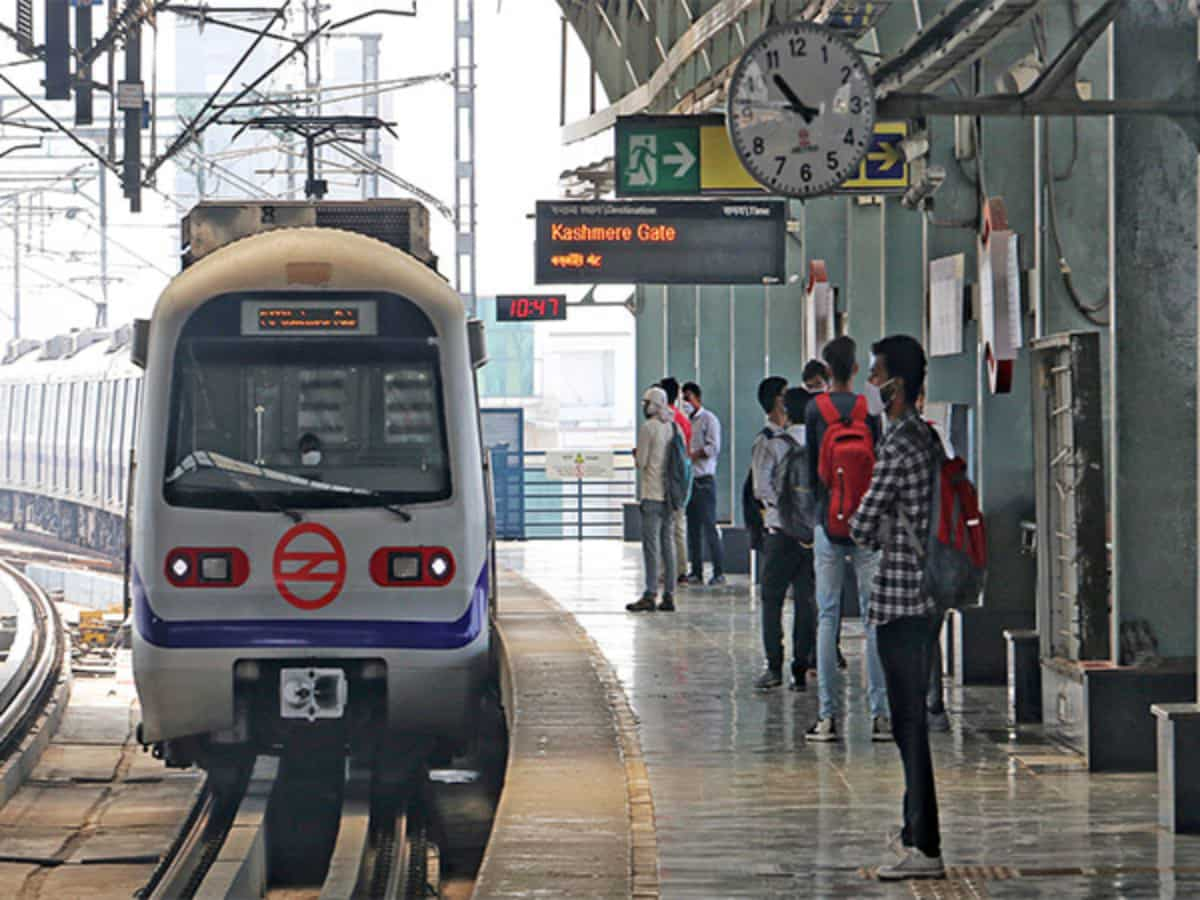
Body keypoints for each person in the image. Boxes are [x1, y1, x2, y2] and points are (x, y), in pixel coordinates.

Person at [850, 334, 945, 880]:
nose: (871, 384)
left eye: (877, 374)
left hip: (900, 600)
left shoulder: (900, 444)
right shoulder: (927, 439)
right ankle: (913, 830)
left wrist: (878, 523)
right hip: (926, 596)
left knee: (909, 724)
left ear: (898, 385)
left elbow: (863, 525)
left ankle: (926, 848)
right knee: (911, 721)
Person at [805, 335, 890, 743]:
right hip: (868, 525)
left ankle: (827, 717)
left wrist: (815, 520)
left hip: (828, 522)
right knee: (874, 619)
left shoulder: (813, 409)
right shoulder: (869, 409)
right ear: (856, 369)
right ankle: (880, 716)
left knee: (828, 617)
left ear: (825, 370)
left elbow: (810, 473)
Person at [753, 386, 817, 691]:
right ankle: (801, 668)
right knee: (807, 602)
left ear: (787, 411)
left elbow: (760, 488)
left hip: (780, 534)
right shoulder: (820, 444)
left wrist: (782, 509)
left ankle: (774, 666)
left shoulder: (771, 444)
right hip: (812, 537)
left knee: (772, 599)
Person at [916, 387, 951, 733]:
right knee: (929, 630)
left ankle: (921, 701)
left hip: (908, 556)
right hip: (940, 550)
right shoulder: (934, 440)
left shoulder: (893, 442)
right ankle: (934, 704)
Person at [628, 387, 677, 613]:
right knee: (668, 544)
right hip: (670, 495)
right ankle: (670, 594)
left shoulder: (648, 428)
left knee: (651, 546)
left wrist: (635, 454)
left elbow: (642, 462)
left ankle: (650, 593)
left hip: (652, 493)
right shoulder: (672, 426)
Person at [682, 382, 725, 586]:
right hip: (690, 480)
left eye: (688, 398)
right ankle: (696, 571)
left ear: (698, 398)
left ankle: (718, 571)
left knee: (709, 527)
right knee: (692, 529)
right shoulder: (684, 422)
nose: (686, 403)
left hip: (705, 480)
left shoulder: (709, 420)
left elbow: (714, 447)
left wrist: (695, 454)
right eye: (683, 399)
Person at [660, 377, 692, 586]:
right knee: (679, 524)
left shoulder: (668, 420)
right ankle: (681, 569)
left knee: (670, 526)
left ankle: (674, 570)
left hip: (671, 476)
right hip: (685, 474)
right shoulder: (683, 419)